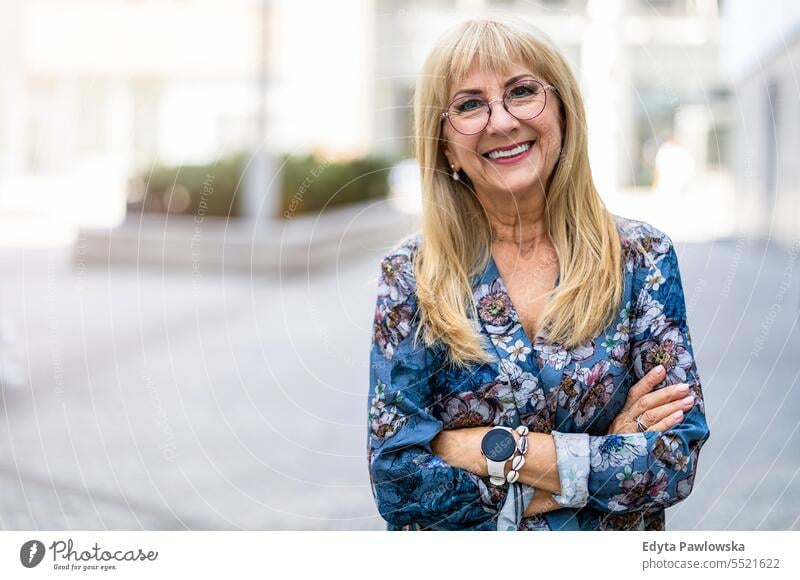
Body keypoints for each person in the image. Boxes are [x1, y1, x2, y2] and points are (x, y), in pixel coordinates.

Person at [366, 18, 710, 531]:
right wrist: (601, 454)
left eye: (522, 92)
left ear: (563, 112)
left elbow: (672, 461)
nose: (501, 122)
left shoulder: (641, 257)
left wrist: (487, 450)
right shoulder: (408, 277)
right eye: (468, 104)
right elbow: (400, 483)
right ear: (442, 144)